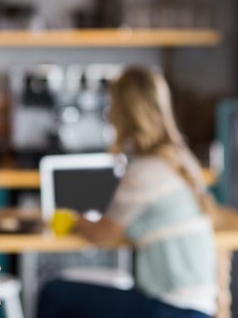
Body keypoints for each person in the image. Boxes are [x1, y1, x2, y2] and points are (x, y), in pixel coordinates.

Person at [38, 66, 218, 318]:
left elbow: (100, 235)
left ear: (124, 113)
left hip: (172, 309)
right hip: (201, 307)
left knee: (54, 293)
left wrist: (74, 217)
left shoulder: (145, 172)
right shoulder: (181, 159)